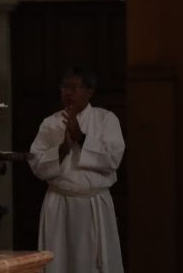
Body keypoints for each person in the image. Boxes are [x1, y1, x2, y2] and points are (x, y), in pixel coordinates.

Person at [29, 66, 125, 273]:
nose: (68, 93)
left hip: (93, 205)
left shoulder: (106, 120)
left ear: (89, 91)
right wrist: (62, 149)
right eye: (65, 87)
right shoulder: (50, 123)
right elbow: (36, 163)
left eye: (74, 87)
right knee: (58, 264)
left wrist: (81, 138)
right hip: (59, 205)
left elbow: (112, 159)